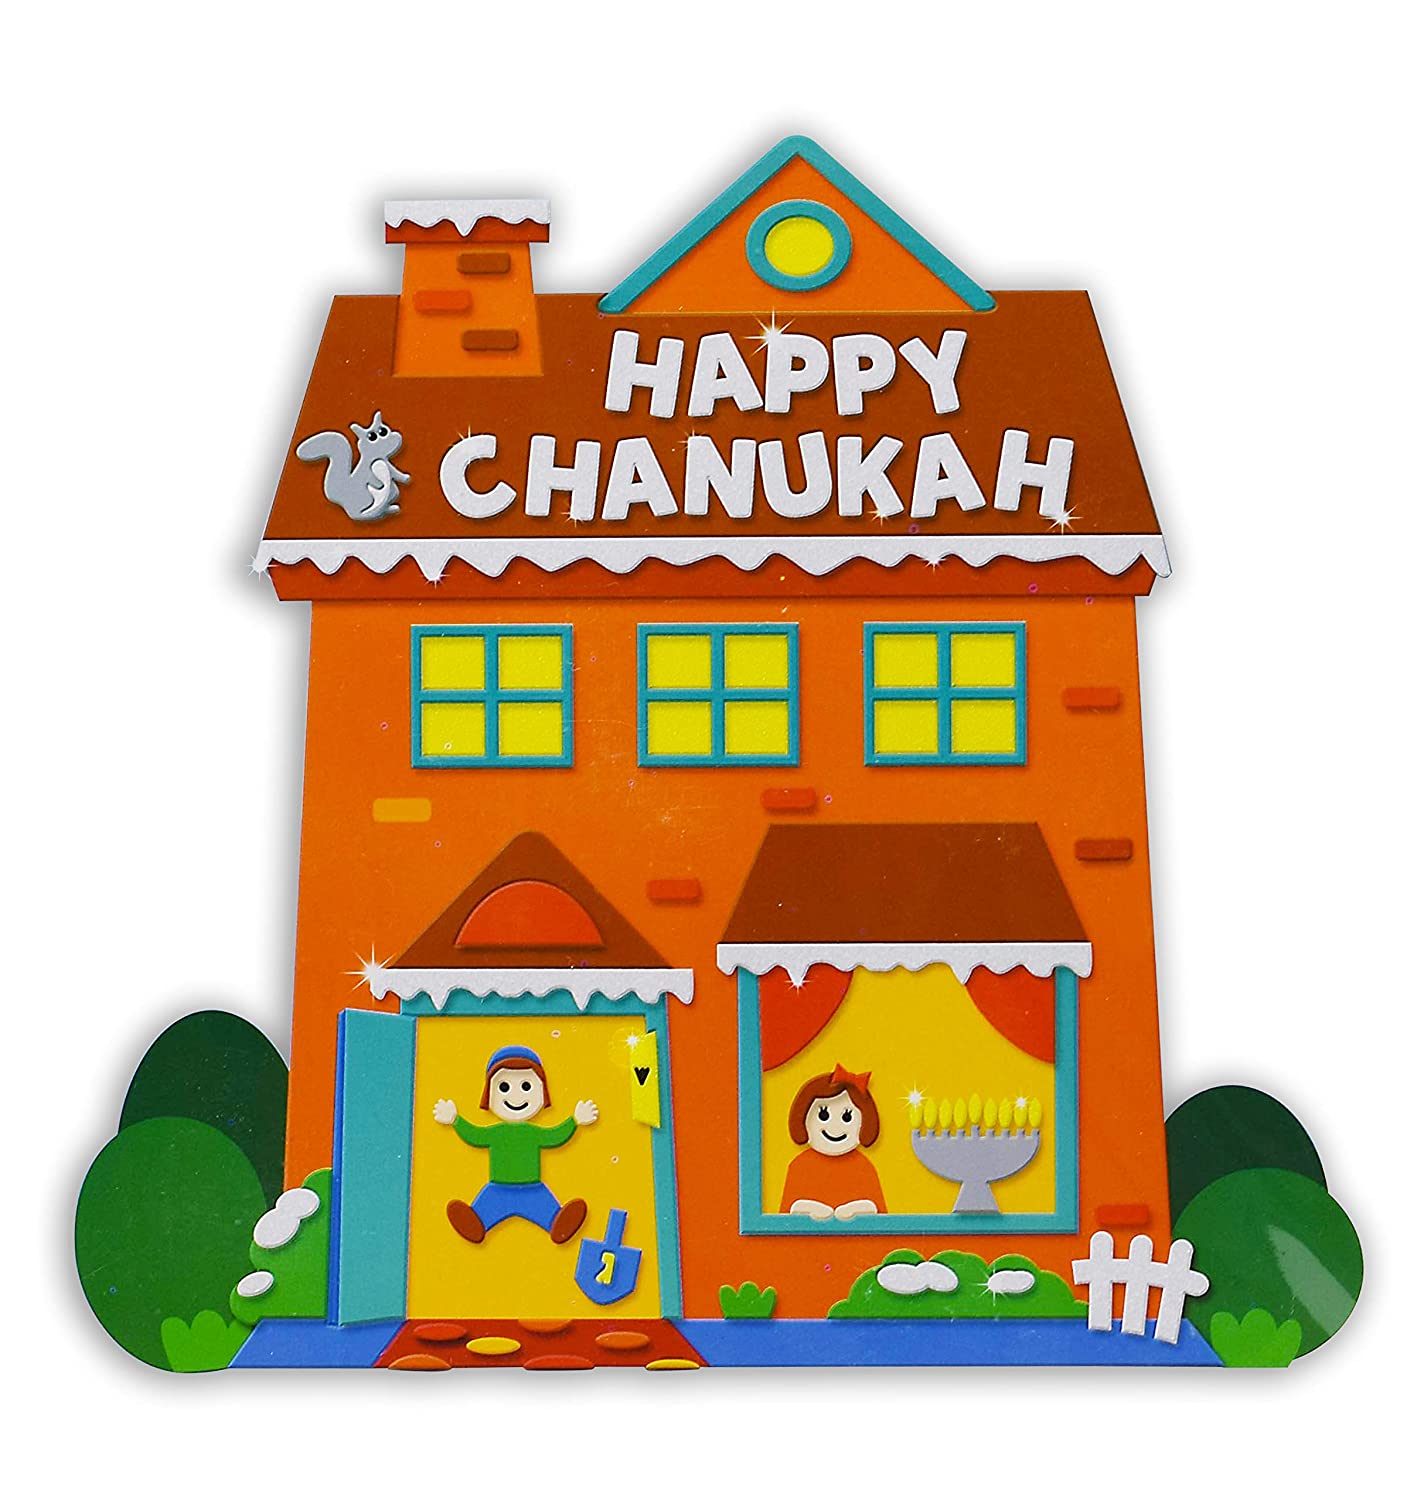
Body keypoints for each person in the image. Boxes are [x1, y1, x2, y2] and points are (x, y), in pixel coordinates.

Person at [433, 1044, 598, 1244]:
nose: (516, 1097)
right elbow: (475, 1135)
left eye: (526, 1086)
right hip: (498, 1189)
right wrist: (455, 1120)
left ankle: (558, 1222)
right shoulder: (496, 1132)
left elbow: (554, 1136)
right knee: (485, 1209)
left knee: (546, 1209)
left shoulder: (532, 1132)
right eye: (504, 1087)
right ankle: (475, 1221)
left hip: (532, 1189)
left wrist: (575, 1121)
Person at [779, 1064, 886, 1220]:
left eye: (847, 1117)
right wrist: (809, 1210)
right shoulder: (799, 1166)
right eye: (823, 1115)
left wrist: (856, 1210)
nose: (835, 1127)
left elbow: (880, 1217)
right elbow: (785, 1217)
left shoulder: (864, 1167)